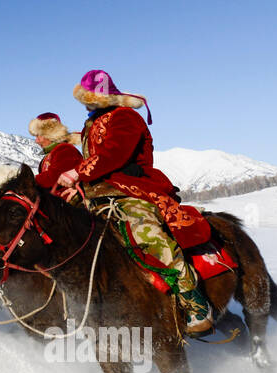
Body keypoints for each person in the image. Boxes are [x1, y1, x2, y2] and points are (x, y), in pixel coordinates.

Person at [54, 70, 214, 335]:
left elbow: (113, 155)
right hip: (95, 194)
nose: (84, 105)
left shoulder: (126, 117)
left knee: (146, 233)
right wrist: (79, 187)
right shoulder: (90, 124)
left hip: (131, 189)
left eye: (89, 99)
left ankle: (194, 300)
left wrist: (76, 173)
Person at [29, 113, 83, 193]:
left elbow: (53, 176)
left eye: (39, 136)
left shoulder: (66, 150)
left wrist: (28, 182)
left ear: (51, 135)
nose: (36, 141)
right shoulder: (50, 155)